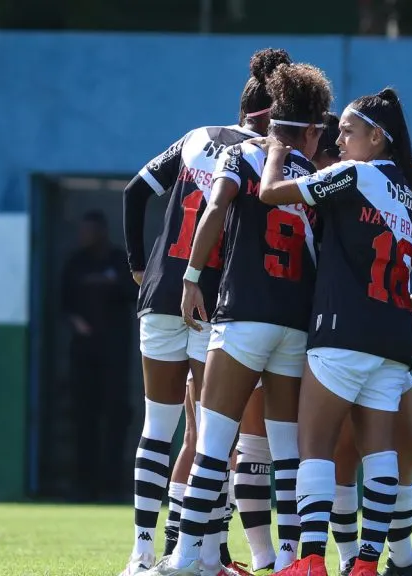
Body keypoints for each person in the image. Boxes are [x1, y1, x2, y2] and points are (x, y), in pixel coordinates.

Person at [146, 61, 332, 576]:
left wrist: (189, 277)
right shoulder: (315, 176)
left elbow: (213, 211)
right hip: (295, 325)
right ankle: (293, 560)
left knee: (212, 443)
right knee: (289, 453)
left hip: (244, 316)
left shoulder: (243, 153)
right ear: (312, 129)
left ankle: (185, 557)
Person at [119, 47, 291, 576]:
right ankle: (206, 554)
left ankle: (142, 552)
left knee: (158, 429)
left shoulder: (195, 137)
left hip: (159, 291)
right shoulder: (261, 155)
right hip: (209, 301)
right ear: (272, 115)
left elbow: (134, 192)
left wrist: (136, 267)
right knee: (212, 436)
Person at [256, 87, 412, 576]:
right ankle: (368, 564)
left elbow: (270, 194)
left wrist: (276, 152)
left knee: (316, 446)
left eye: (349, 131)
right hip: (392, 339)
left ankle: (310, 561)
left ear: (377, 137)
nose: (340, 139)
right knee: (380, 453)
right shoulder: (410, 195)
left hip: (343, 333)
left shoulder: (354, 173)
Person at [61, 209, 136, 502]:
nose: (85, 236)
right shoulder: (75, 264)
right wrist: (78, 323)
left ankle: (112, 483)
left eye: (90, 230)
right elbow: (63, 304)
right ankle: (83, 483)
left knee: (116, 415)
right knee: (84, 417)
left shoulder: (119, 261)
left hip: (115, 352)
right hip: (83, 353)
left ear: (101, 231)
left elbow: (134, 293)